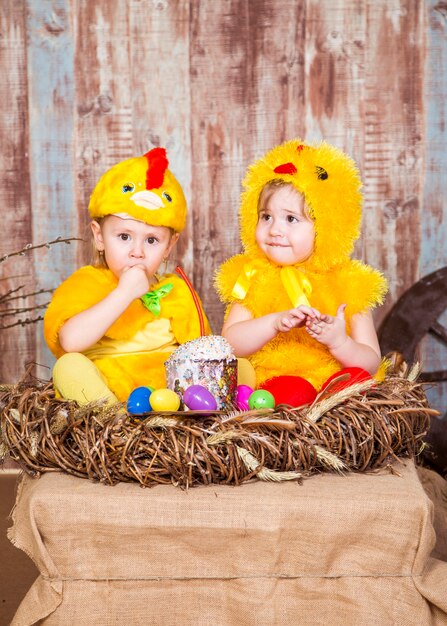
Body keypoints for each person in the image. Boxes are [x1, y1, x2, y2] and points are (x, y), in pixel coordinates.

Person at [215, 139, 387, 397]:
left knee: (358, 380)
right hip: (271, 385)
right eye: (266, 216)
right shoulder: (253, 276)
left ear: (326, 227)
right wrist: (273, 323)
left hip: (331, 386)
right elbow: (230, 345)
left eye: (291, 219)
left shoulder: (348, 284)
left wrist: (339, 341)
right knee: (289, 392)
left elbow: (371, 363)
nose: (274, 229)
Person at [44, 147, 210, 406]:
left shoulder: (177, 292)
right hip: (108, 393)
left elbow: (203, 352)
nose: (137, 252)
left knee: (238, 367)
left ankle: (172, 424)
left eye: (152, 240)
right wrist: (124, 293)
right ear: (99, 237)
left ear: (169, 246)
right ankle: (115, 426)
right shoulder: (86, 283)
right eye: (124, 237)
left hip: (167, 398)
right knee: (67, 367)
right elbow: (70, 341)